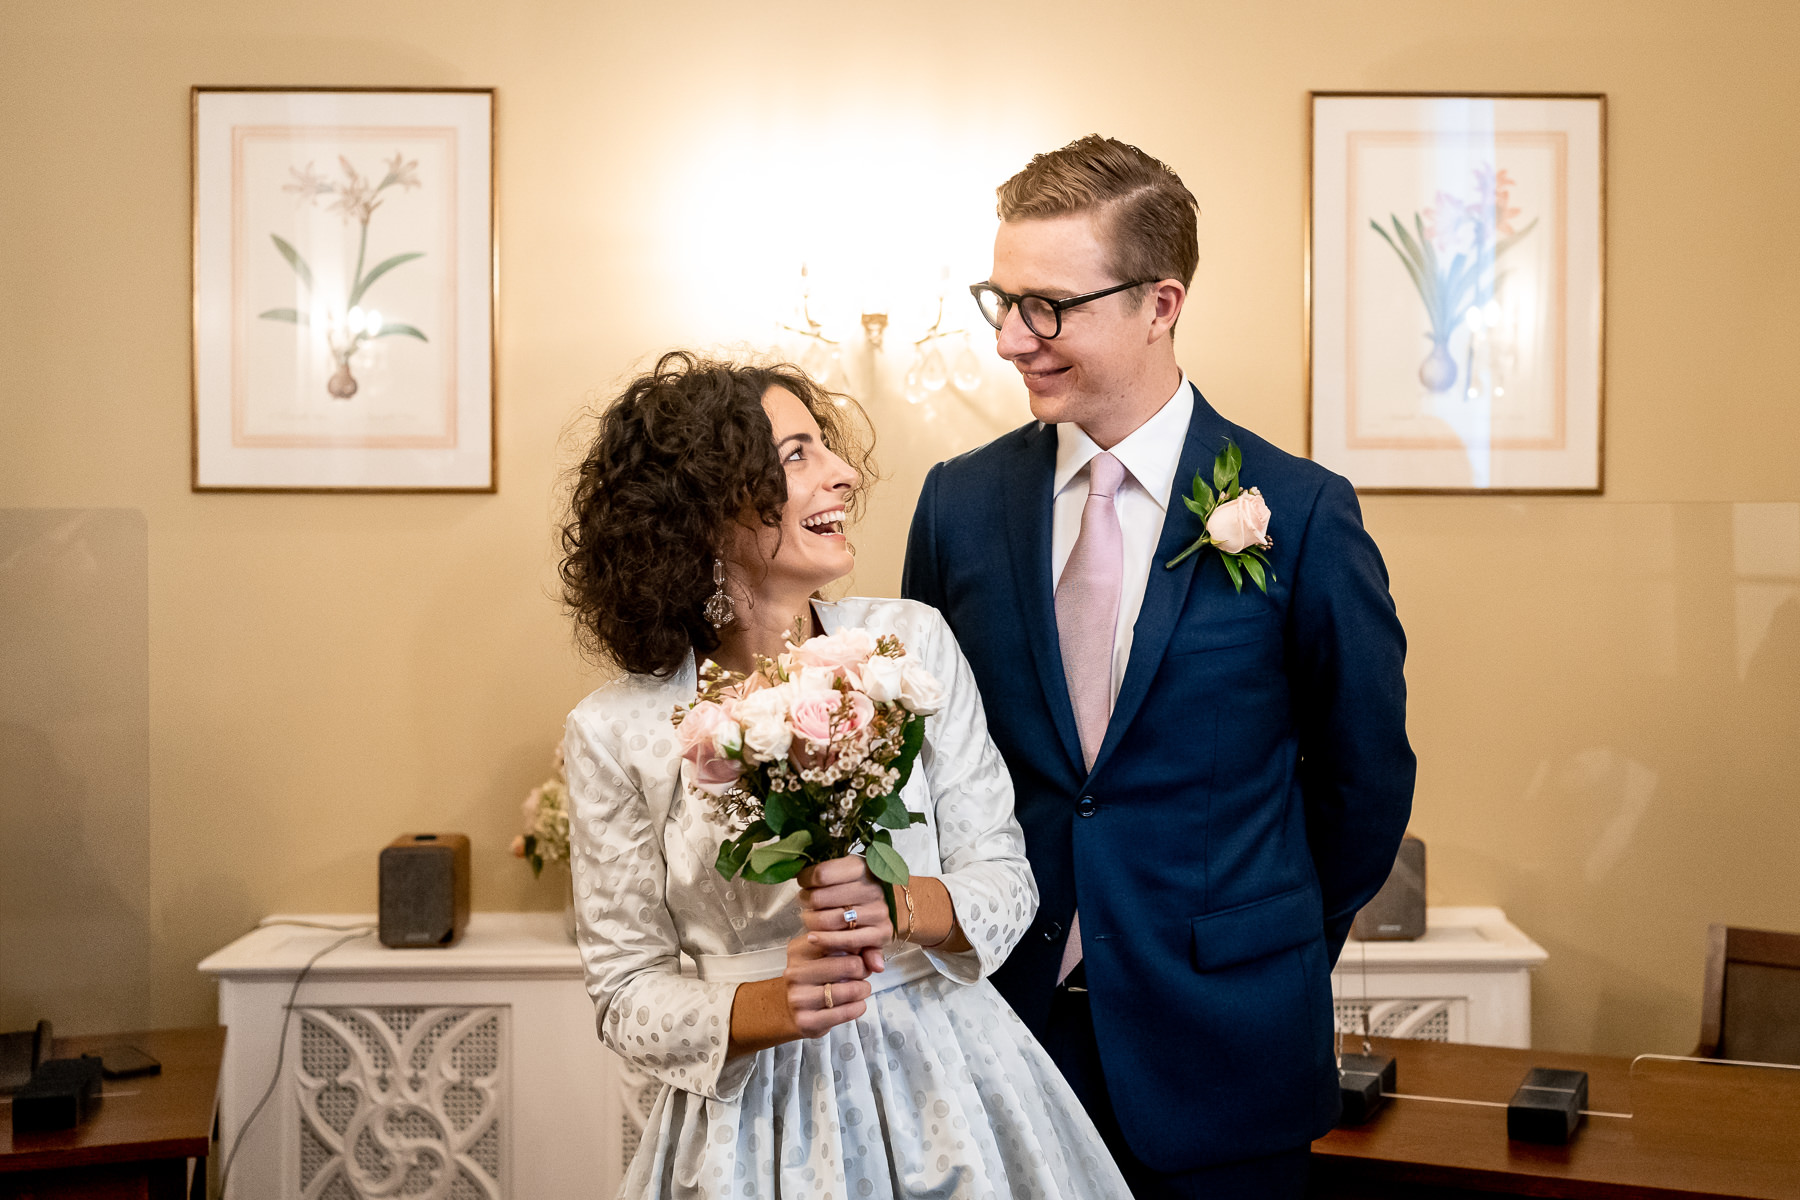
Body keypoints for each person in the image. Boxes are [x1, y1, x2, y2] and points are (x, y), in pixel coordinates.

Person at [902, 135, 1416, 1198]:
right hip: (1002, 1033)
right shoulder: (958, 504)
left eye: (1048, 306)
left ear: (1161, 303)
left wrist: (1257, 942)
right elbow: (923, 760)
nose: (1010, 338)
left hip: (1228, 1050)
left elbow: (1364, 783)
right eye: (1000, 299)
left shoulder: (1303, 513)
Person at [559, 350, 1132, 1199]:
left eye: (824, 446)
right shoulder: (614, 731)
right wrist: (773, 1007)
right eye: (797, 455)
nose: (842, 474)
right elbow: (624, 992)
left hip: (952, 1083)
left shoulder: (911, 643)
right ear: (709, 506)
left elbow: (1007, 879)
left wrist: (901, 908)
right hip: (753, 1125)